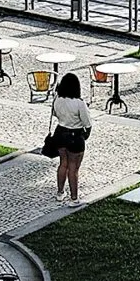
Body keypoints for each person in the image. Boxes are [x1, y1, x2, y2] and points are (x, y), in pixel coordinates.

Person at [49, 73, 92, 201]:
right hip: (75, 135)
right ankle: (74, 198)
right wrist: (85, 136)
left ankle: (60, 192)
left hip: (60, 133)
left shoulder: (57, 99)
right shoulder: (79, 103)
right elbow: (87, 123)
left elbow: (54, 114)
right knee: (73, 169)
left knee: (63, 164)